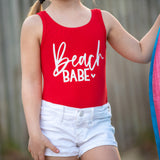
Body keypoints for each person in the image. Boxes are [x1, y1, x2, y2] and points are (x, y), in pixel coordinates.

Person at [20, 0, 160, 160]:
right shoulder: (34, 24)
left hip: (96, 124)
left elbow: (142, 52)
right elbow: (31, 82)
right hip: (55, 125)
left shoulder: (103, 20)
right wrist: (34, 132)